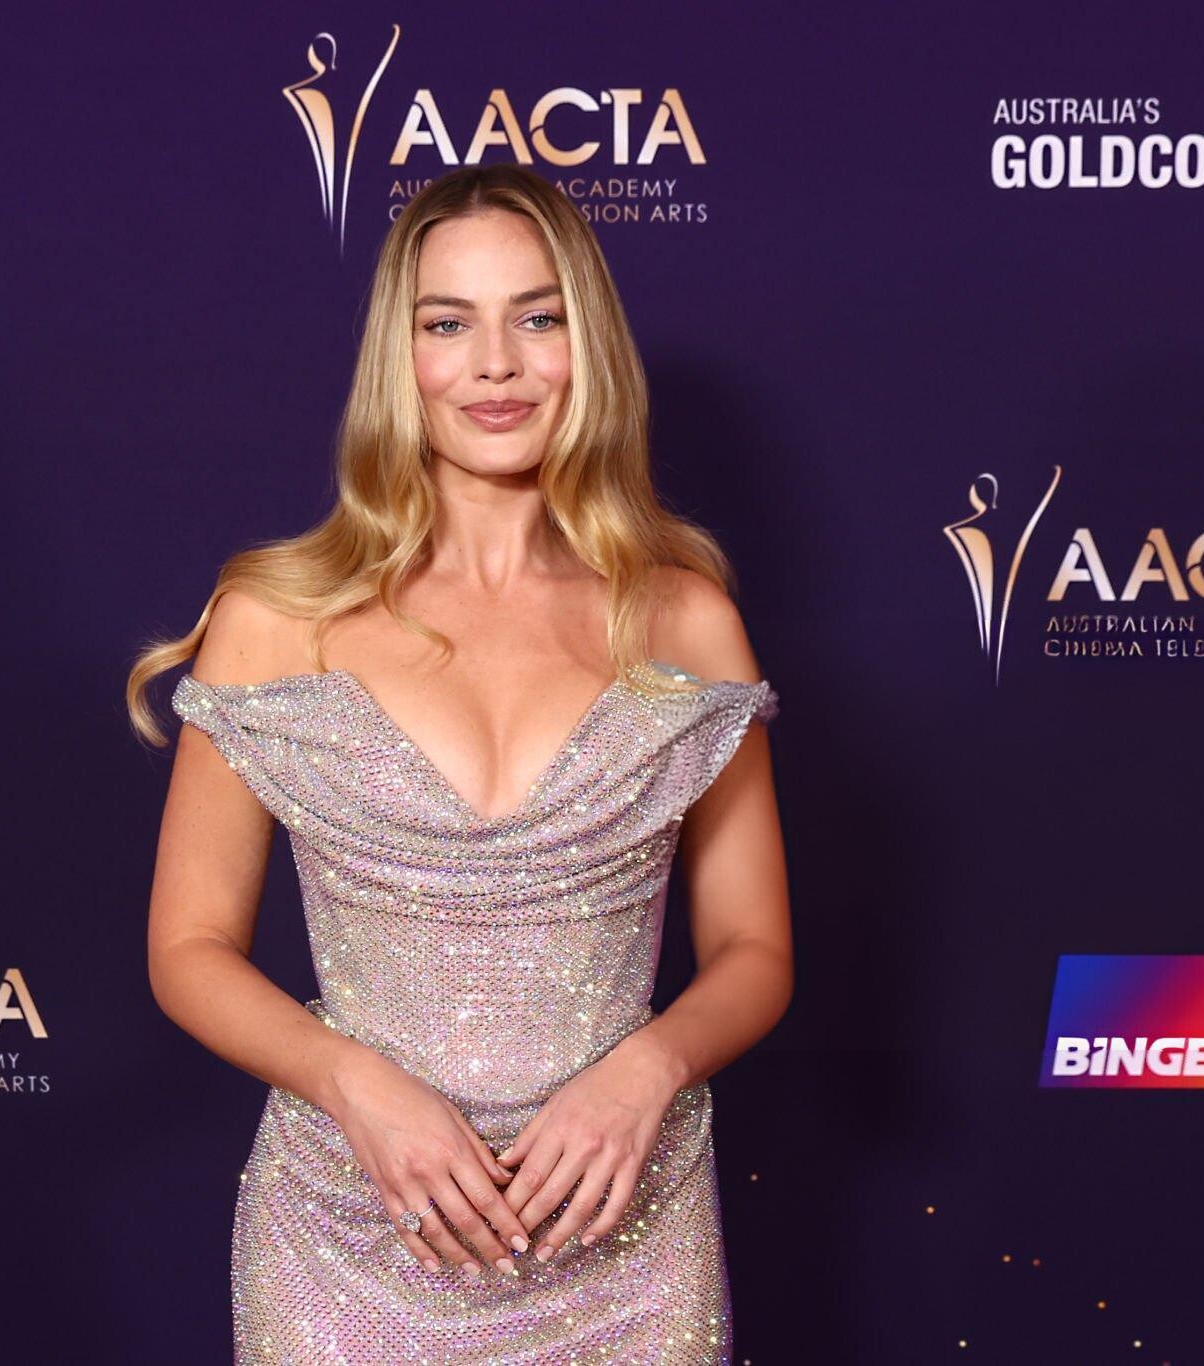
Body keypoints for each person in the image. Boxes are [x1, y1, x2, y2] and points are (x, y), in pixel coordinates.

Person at [126, 163, 792, 1363]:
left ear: (588, 346)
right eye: (447, 324)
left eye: (536, 318)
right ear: (401, 356)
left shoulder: (685, 620)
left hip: (623, 1237)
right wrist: (351, 1084)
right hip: (350, 1236)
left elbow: (754, 950)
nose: (495, 365)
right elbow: (187, 948)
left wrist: (646, 1069)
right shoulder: (278, 621)